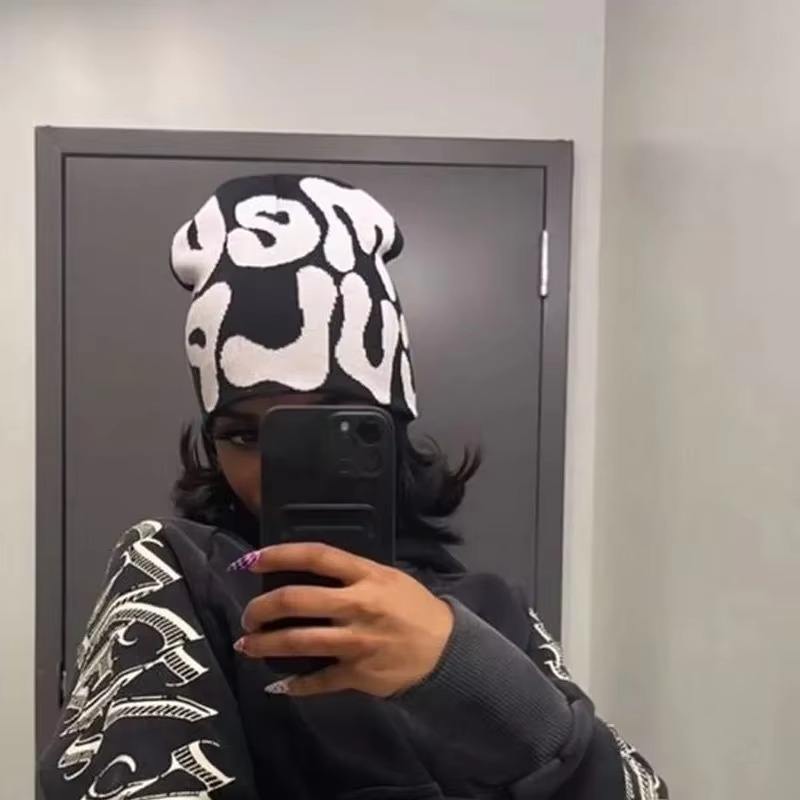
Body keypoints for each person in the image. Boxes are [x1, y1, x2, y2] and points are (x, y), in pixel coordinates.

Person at [39, 174, 666, 799]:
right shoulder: (174, 573)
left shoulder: (496, 612)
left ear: (388, 430)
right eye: (245, 434)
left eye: (327, 424)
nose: (281, 465)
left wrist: (462, 671)